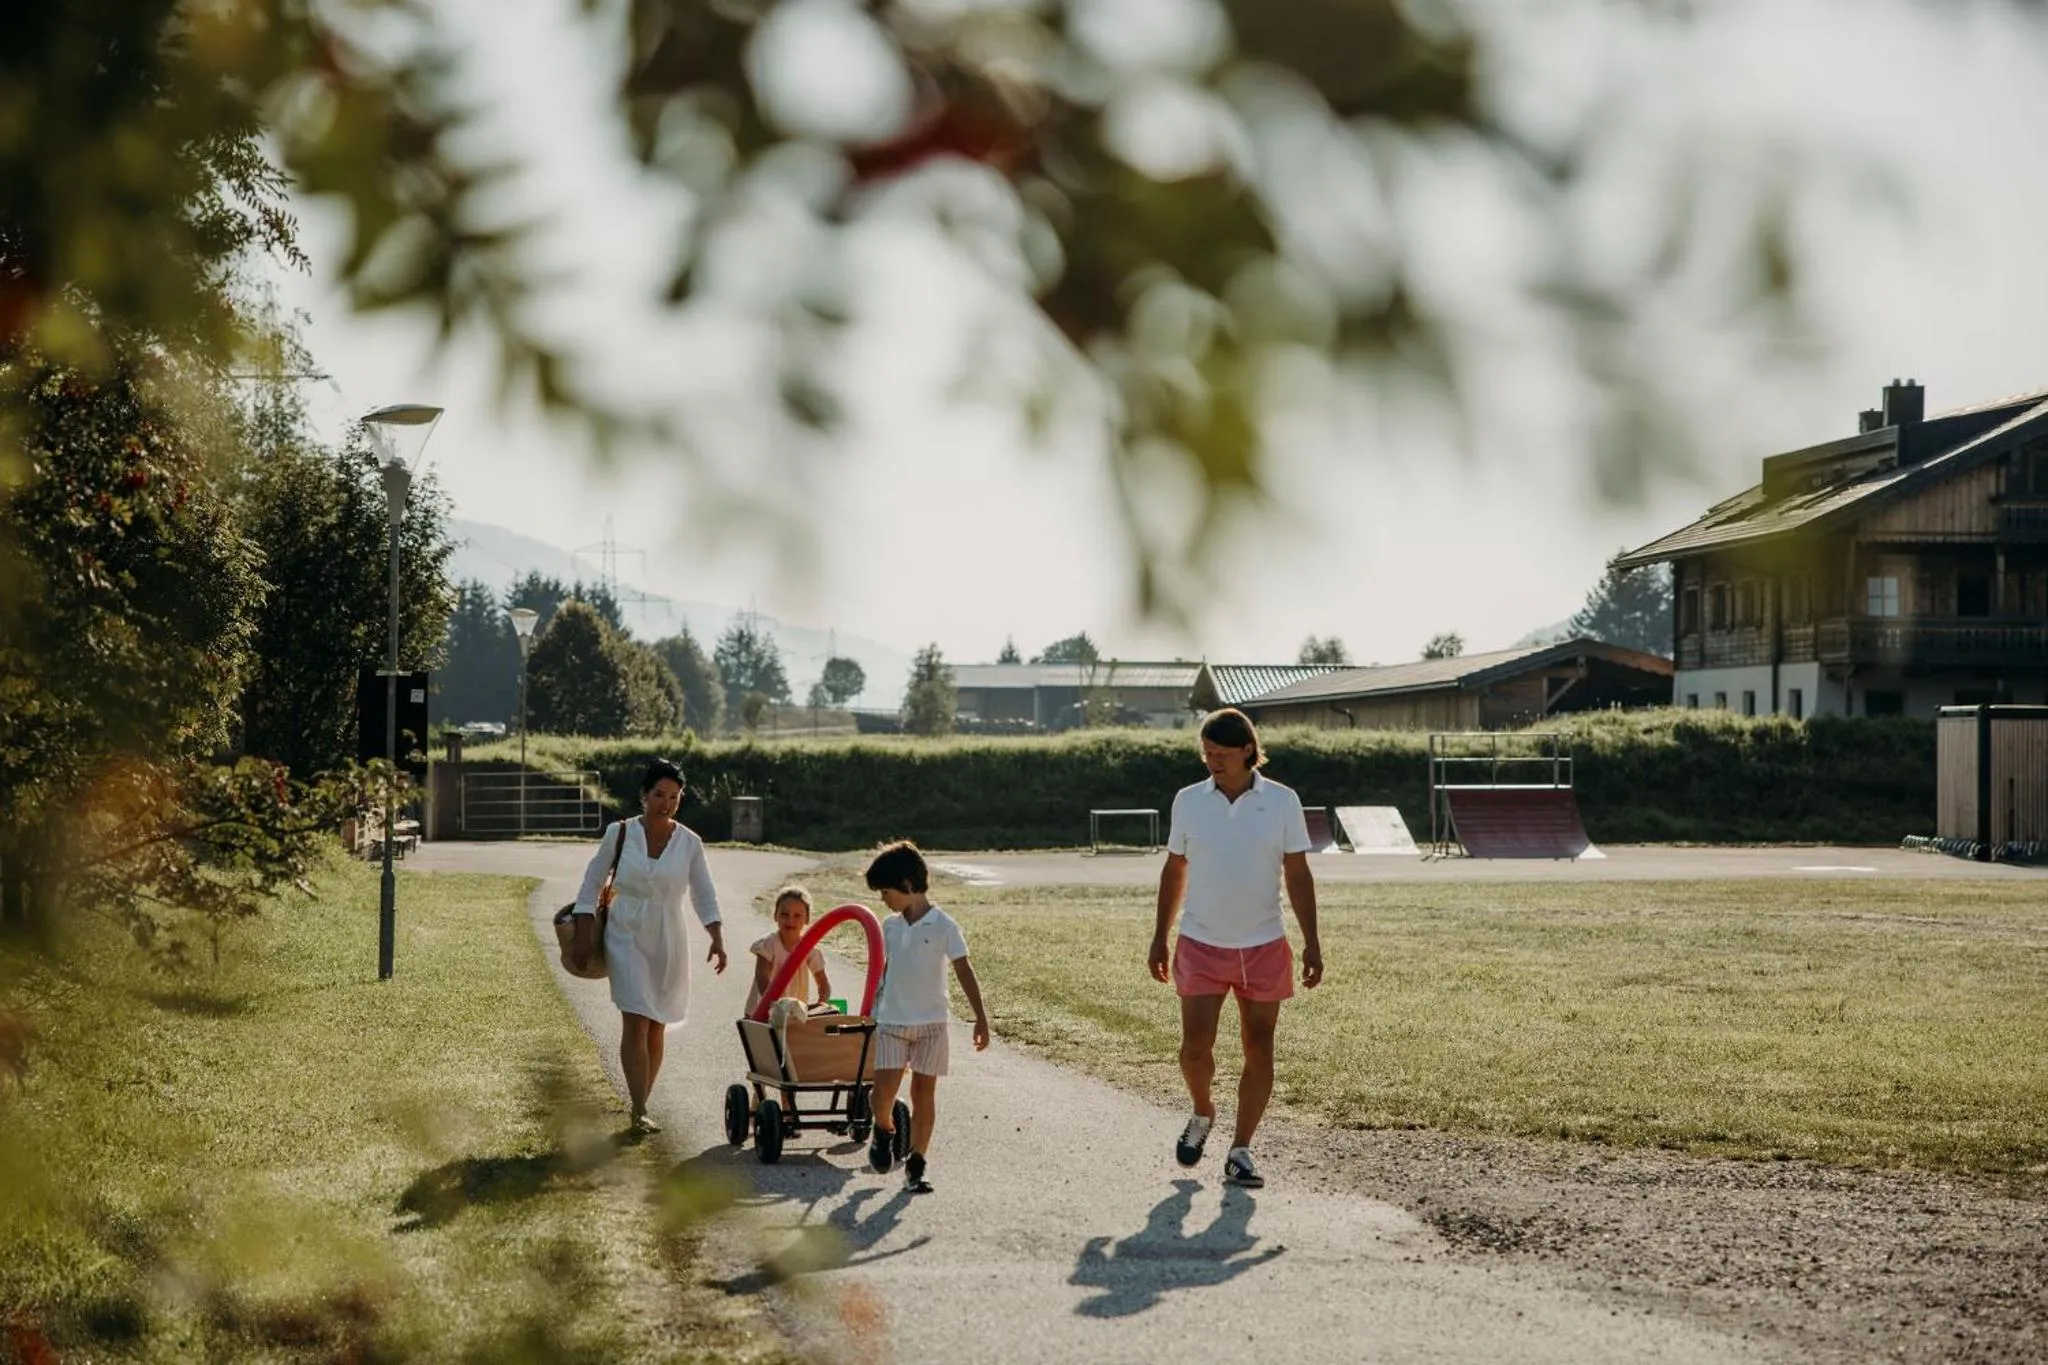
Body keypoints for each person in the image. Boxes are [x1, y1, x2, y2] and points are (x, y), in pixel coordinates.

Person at [1148, 708, 1322, 1189]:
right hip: (1201, 941)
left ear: (1248, 749)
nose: (1212, 763)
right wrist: (1160, 935)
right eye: (1206, 754)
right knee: (1194, 1049)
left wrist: (1311, 942)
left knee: (1259, 1048)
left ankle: (1241, 1150)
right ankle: (1203, 1111)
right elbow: (1174, 869)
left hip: (1264, 944)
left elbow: (1298, 874)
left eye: (1220, 754)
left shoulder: (1283, 801)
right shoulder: (1189, 801)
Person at [571, 758, 728, 1134]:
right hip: (625, 933)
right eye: (659, 795)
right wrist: (581, 930)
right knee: (635, 1017)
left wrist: (717, 936)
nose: (666, 803)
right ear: (644, 795)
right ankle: (638, 1106)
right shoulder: (620, 832)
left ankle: (642, 1100)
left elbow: (704, 892)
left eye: (674, 797)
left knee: (657, 1025)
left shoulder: (690, 843)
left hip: (669, 938)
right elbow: (592, 882)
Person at [862, 840, 990, 1194]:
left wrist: (980, 1017)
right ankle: (883, 1129)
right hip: (892, 1023)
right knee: (881, 1094)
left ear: (906, 884)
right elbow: (886, 971)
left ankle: (917, 1164)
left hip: (933, 1024)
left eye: (886, 891)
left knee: (923, 1094)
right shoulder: (889, 926)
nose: (883, 899)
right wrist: (874, 1008)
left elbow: (964, 969)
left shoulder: (944, 926)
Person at [744, 884, 832, 1017]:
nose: (790, 920)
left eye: (797, 915)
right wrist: (773, 1005)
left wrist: (820, 1005)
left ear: (807, 919)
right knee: (763, 1037)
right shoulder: (769, 944)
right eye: (784, 914)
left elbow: (823, 983)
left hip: (793, 1015)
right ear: (775, 916)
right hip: (763, 1012)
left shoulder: (809, 950)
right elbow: (762, 976)